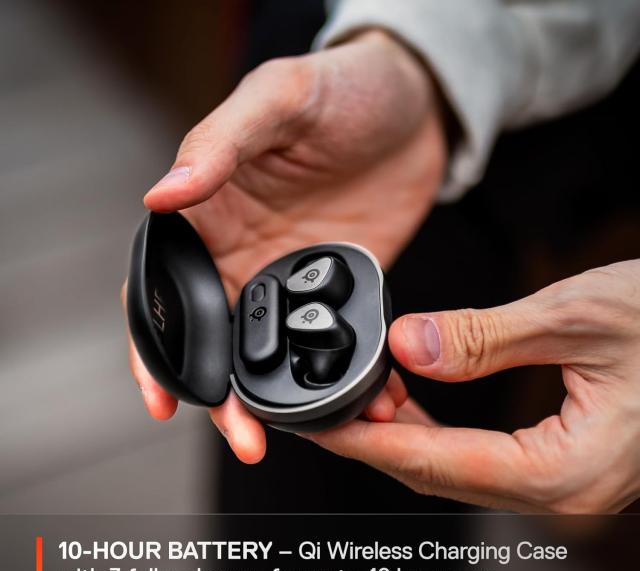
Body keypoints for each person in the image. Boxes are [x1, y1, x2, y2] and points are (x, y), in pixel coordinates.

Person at [124, 0, 640, 514]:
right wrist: (415, 58)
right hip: (342, 99)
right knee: (298, 491)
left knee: (402, 453)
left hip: (508, 150)